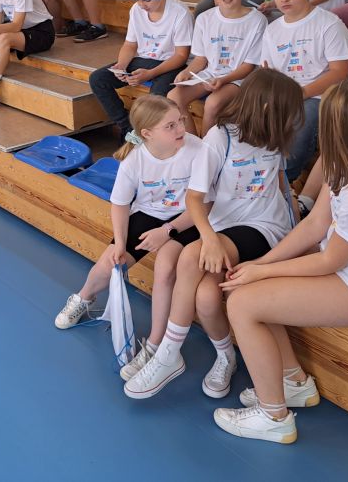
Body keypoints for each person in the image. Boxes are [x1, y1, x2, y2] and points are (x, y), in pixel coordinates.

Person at [217, 80, 348, 445]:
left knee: (242, 304)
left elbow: (330, 260)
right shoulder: (345, 160)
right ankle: (293, 383)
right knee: (251, 286)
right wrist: (261, 263)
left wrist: (261, 271)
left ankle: (274, 417)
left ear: (330, 125)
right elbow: (315, 224)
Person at [123, 68, 303, 402]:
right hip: (224, 228)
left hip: (266, 227)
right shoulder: (221, 138)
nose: (293, 119)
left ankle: (168, 354)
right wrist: (208, 238)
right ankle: (226, 357)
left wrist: (297, 238)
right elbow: (195, 199)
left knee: (190, 257)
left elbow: (282, 188)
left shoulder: (275, 138)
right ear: (267, 107)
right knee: (206, 298)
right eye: (288, 111)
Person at [55, 95, 205, 380]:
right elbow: (120, 205)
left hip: (188, 217)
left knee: (166, 270)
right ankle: (84, 298)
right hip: (149, 214)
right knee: (109, 263)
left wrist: (167, 230)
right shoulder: (134, 160)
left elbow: (203, 204)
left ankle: (155, 345)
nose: (181, 129)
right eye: (170, 126)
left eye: (180, 121)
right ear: (147, 134)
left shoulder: (197, 150)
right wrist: (120, 245)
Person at [261, 0, 348, 181]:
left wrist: (300, 93)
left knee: (299, 121)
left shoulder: (329, 23)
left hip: (320, 94)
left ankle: (285, 182)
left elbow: (340, 72)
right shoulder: (272, 30)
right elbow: (268, 72)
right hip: (286, 93)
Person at [88, 0, 192, 138]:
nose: (143, 5)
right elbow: (130, 45)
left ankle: (155, 137)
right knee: (98, 79)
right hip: (144, 60)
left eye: (148, 0)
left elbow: (181, 55)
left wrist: (150, 74)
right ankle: (128, 129)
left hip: (170, 63)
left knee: (157, 97)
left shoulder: (180, 12)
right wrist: (121, 65)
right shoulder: (136, 9)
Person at [169, 0, 265, 136]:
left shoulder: (257, 21)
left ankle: (208, 147)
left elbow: (248, 66)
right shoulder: (204, 18)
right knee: (174, 97)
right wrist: (186, 72)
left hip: (239, 79)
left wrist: (223, 79)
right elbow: (201, 59)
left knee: (212, 103)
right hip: (210, 75)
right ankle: (192, 143)